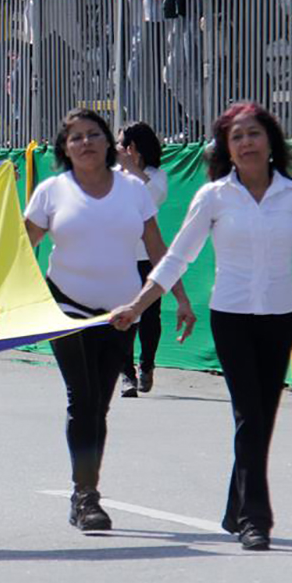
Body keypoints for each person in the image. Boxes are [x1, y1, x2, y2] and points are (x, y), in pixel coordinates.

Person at [109, 102, 292, 551]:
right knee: (249, 416)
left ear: (271, 142)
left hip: (280, 317)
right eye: (236, 137)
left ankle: (233, 506)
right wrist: (139, 304)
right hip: (232, 316)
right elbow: (178, 254)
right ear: (227, 149)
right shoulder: (214, 196)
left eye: (253, 134)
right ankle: (257, 518)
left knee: (264, 418)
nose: (246, 143)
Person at [23, 108, 193, 531]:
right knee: (81, 399)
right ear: (65, 147)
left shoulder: (133, 190)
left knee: (99, 404)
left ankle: (84, 488)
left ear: (107, 143)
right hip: (65, 307)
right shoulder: (51, 192)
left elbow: (157, 248)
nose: (86, 143)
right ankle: (86, 497)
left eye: (94, 134)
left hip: (121, 311)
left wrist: (181, 298)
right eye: (76, 137)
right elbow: (19, 249)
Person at [114, 122, 167, 397]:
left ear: (133, 148)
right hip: (119, 257)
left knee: (149, 317)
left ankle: (147, 364)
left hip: (146, 257)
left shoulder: (156, 176)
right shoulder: (112, 176)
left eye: (121, 144)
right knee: (123, 316)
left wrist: (131, 167)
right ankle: (126, 375)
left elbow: (152, 197)